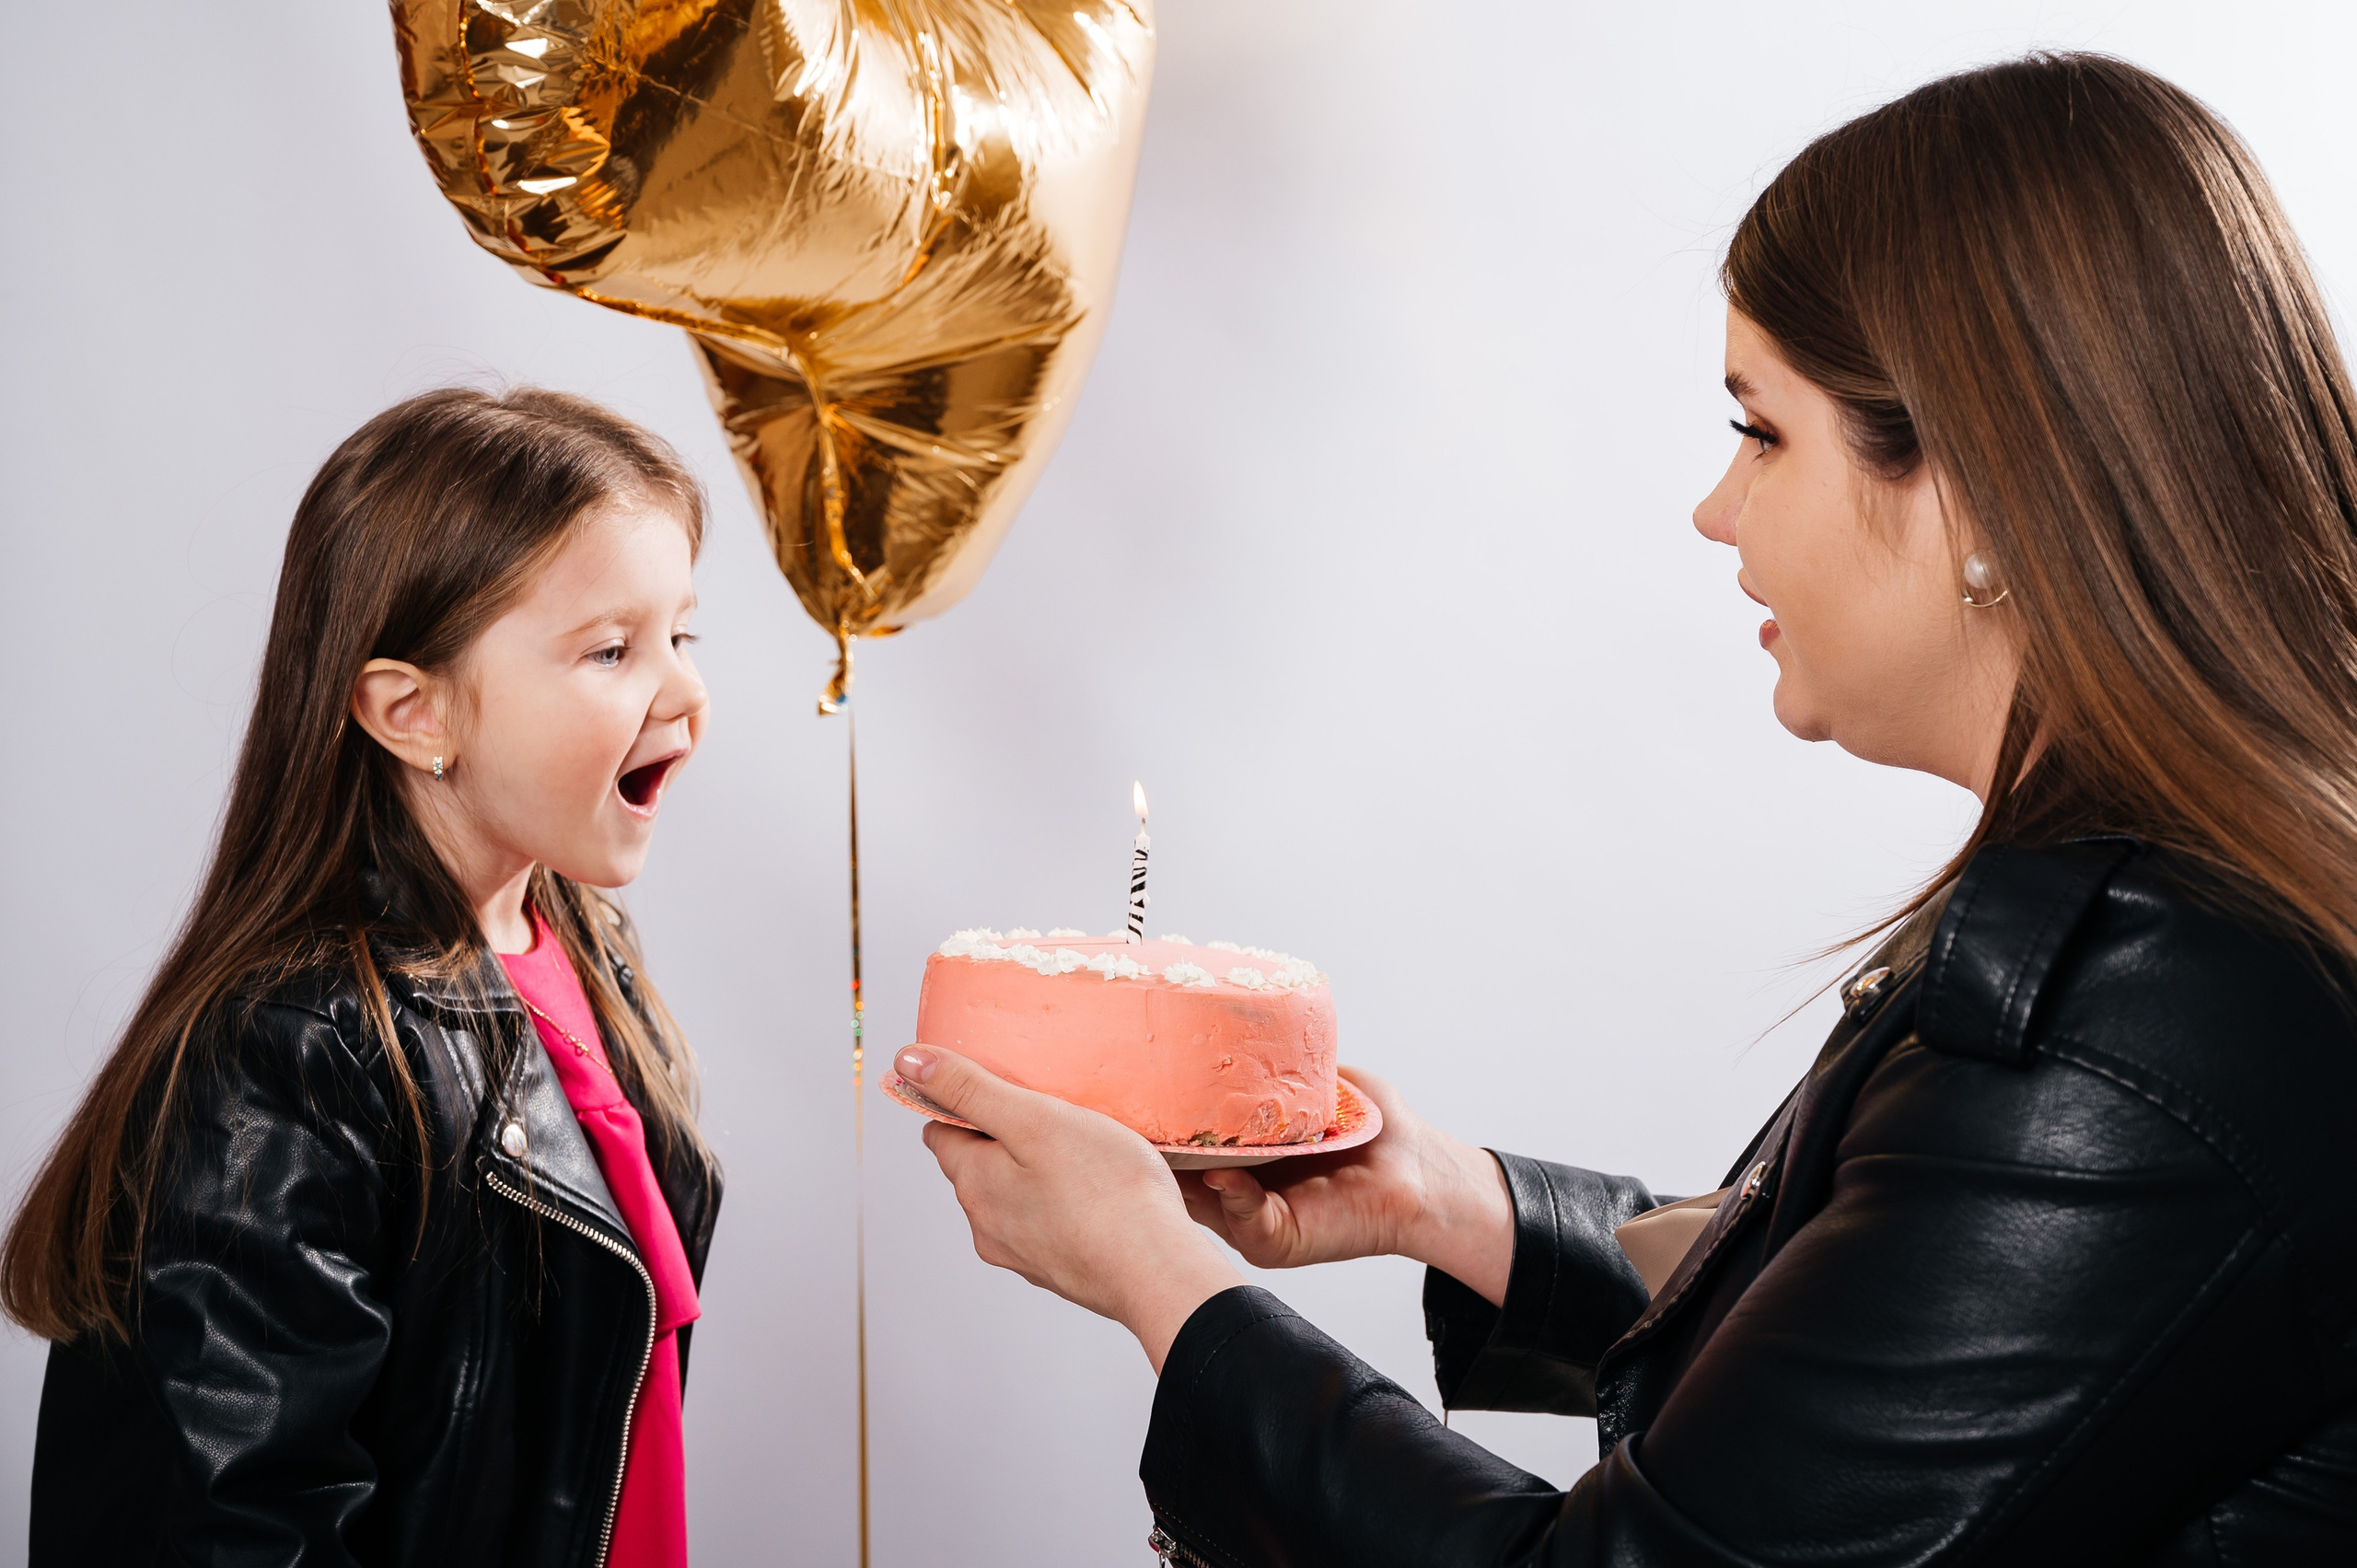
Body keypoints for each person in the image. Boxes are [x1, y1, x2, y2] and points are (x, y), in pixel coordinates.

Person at [899, 52, 2357, 1565]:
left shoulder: (2141, 1029)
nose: (1717, 509)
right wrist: (1440, 1198)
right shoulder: (2178, 939)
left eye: (1762, 430)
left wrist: (1162, 1283)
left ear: (1981, 486)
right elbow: (1869, 1335)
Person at [3, 388, 720, 1567]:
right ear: (413, 710)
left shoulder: (586, 952)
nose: (685, 692)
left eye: (683, 635)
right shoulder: (289, 1056)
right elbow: (226, 1529)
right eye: (612, 649)